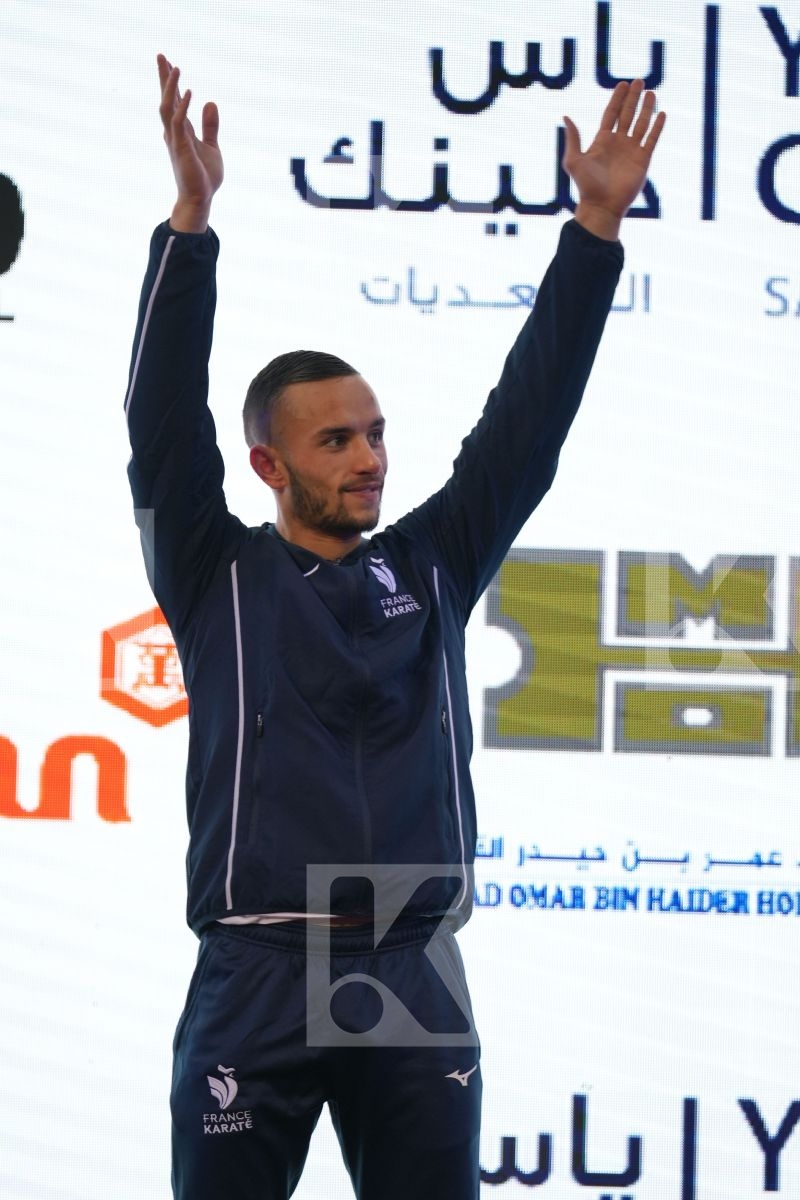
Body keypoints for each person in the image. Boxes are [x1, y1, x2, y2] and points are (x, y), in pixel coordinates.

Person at [125, 53, 664, 1200]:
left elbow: (528, 420)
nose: (370, 457)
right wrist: (189, 226)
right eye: (336, 441)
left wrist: (593, 232)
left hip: (407, 969)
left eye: (375, 433)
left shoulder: (431, 560)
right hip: (258, 962)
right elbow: (159, 418)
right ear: (269, 462)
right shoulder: (213, 571)